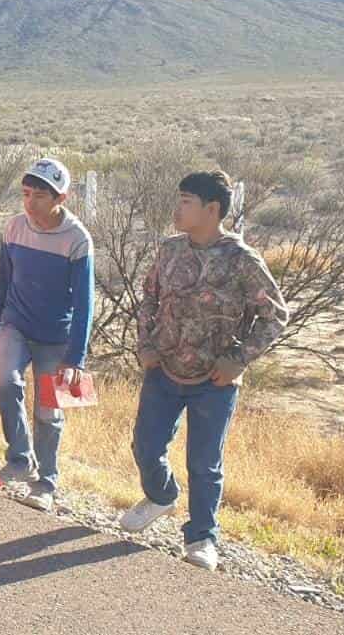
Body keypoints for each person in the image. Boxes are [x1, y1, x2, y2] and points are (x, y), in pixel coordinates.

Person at [119, 170, 289, 572]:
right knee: (145, 445)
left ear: (212, 209)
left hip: (214, 379)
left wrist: (239, 359)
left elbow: (274, 316)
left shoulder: (242, 260)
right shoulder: (169, 250)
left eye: (186, 201)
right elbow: (149, 298)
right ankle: (161, 496)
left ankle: (201, 537)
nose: (177, 208)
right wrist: (145, 345)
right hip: (164, 369)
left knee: (204, 462)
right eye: (178, 199)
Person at [0, 158, 94, 512]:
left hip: (57, 336)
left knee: (50, 412)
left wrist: (75, 358)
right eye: (26, 194)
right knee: (6, 383)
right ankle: (20, 457)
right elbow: (3, 281)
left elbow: (85, 303)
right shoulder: (15, 228)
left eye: (39, 196)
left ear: (59, 198)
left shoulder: (77, 239)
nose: (30, 203)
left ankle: (46, 482)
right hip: (16, 324)